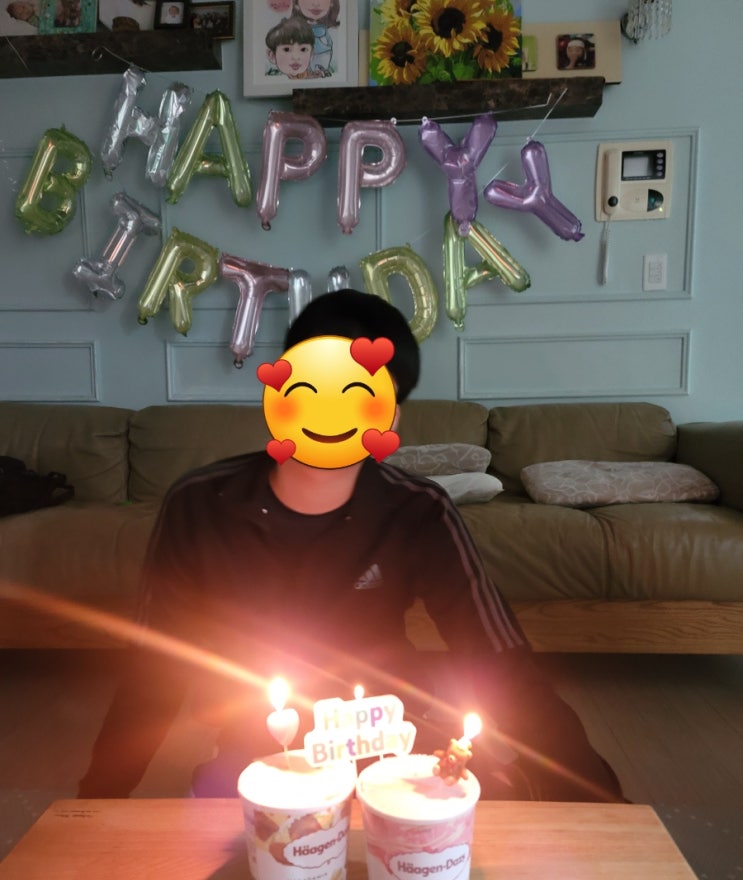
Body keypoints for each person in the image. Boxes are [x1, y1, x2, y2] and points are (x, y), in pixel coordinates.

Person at [78, 290, 625, 803]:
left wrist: (602, 803)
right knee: (238, 832)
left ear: (389, 415)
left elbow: (498, 658)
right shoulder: (202, 503)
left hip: (386, 732)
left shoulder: (418, 509)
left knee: (466, 816)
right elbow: (156, 665)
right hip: (265, 739)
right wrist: (97, 799)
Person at [265, 16, 329, 81]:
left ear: (311, 54)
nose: (296, 57)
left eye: (303, 49)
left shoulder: (312, 77)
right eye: (287, 49)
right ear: (272, 56)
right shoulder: (272, 78)